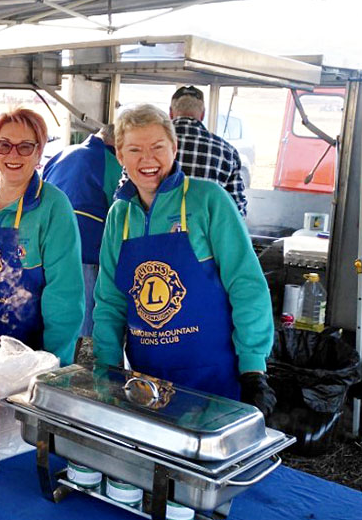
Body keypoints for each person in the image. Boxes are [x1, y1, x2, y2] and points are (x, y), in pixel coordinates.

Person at [92, 103, 276, 414]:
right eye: (134, 149)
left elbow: (246, 285)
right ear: (120, 156)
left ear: (174, 148)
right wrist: (106, 369)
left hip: (216, 380)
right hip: (147, 385)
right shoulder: (119, 216)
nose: (147, 159)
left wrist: (253, 369)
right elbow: (110, 301)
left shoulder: (208, 200)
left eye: (157, 147)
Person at [0, 108, 83, 364]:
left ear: (39, 152)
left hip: (24, 358)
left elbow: (65, 298)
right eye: (4, 145)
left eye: (25, 147)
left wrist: (51, 365)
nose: (13, 154)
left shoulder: (53, 207)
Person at [42, 125, 122, 339]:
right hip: (85, 250)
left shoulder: (63, 153)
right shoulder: (110, 162)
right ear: (115, 146)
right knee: (81, 316)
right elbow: (120, 207)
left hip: (49, 245)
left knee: (52, 309)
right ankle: (74, 362)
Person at [169, 85, 248, 216]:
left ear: (171, 112)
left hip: (156, 233)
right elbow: (237, 210)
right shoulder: (227, 151)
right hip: (207, 233)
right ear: (203, 114)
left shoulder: (149, 145)